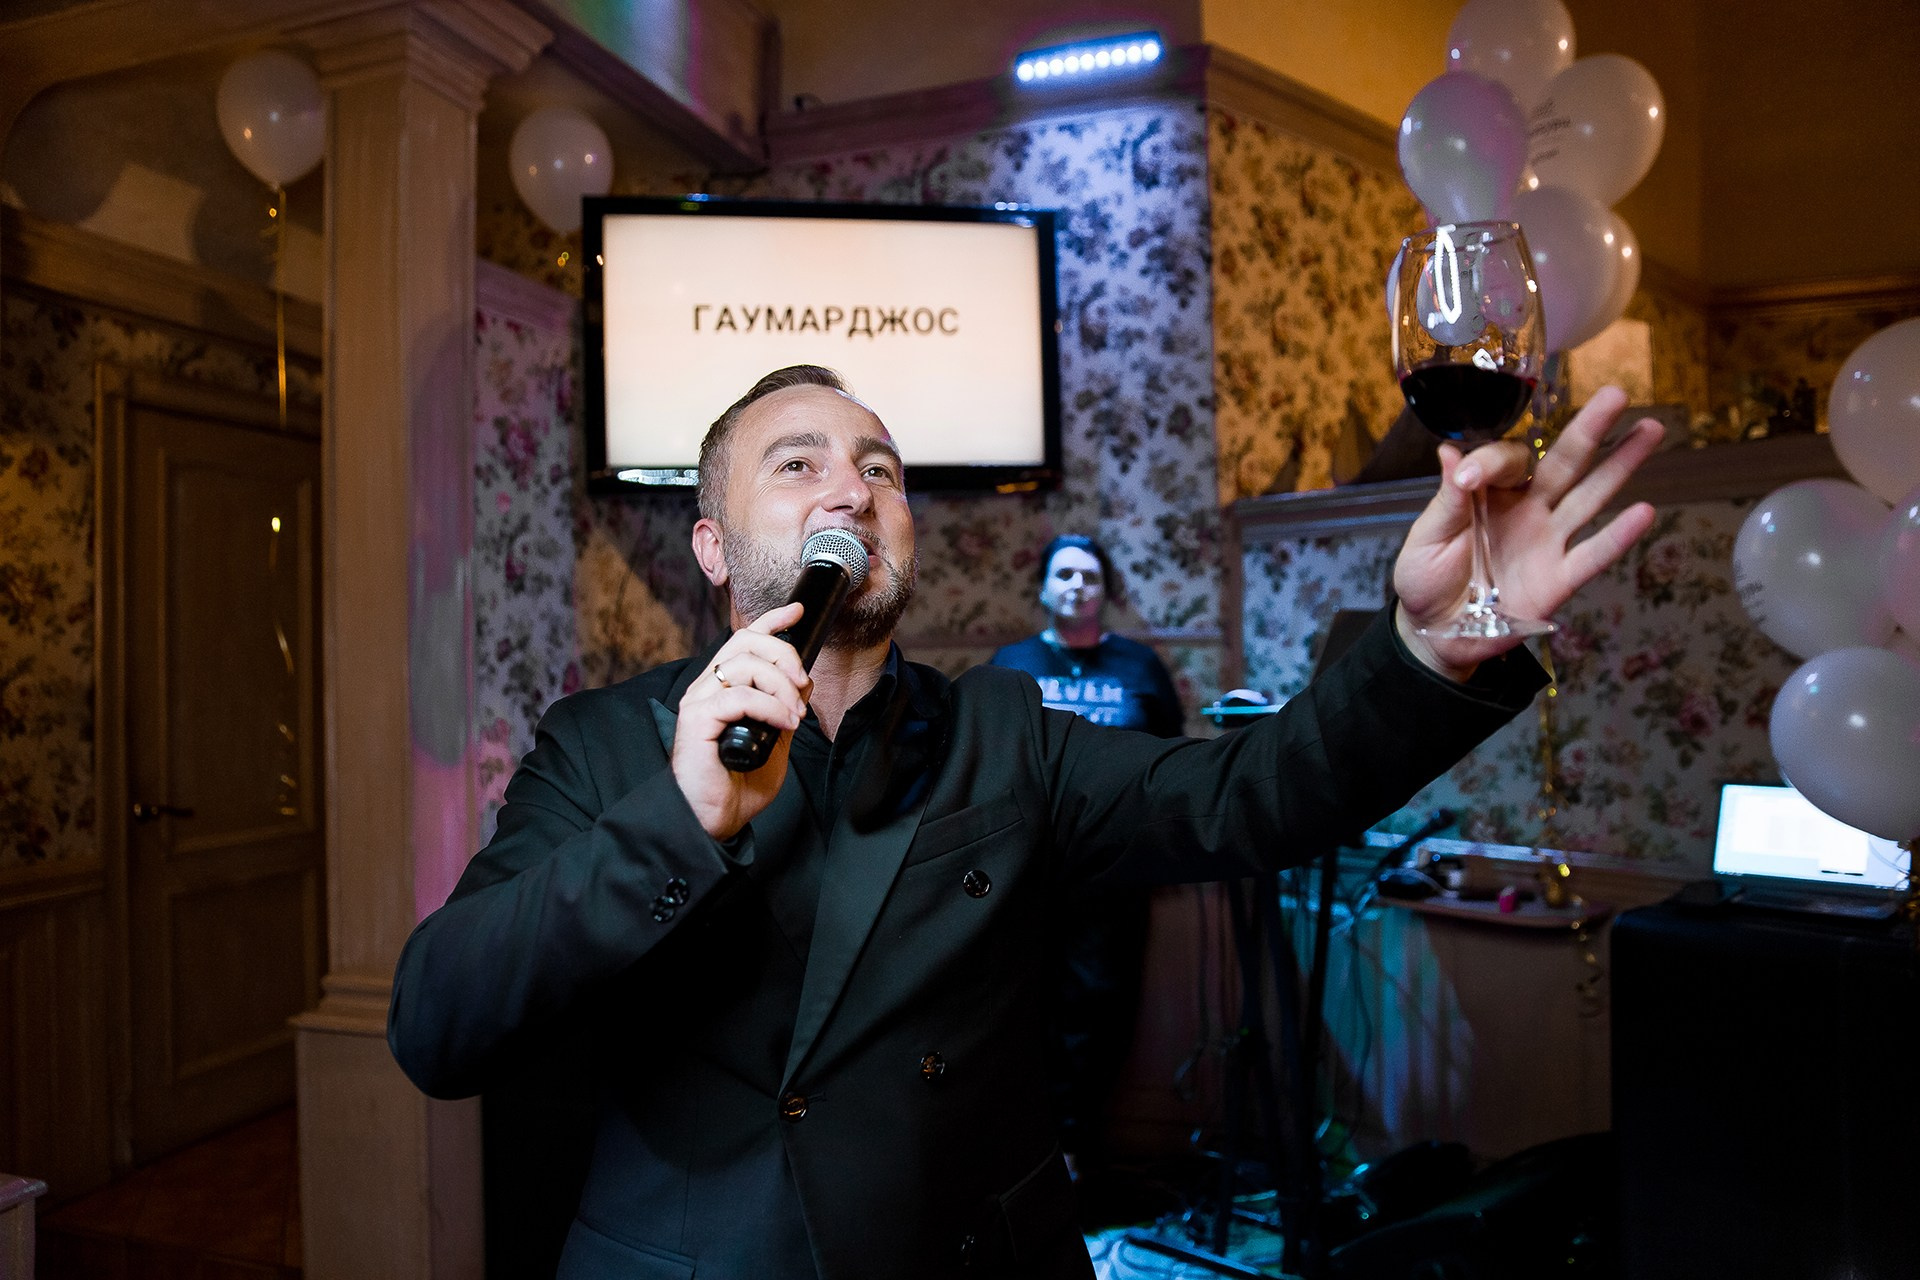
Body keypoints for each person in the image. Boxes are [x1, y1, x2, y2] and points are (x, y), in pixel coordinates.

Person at [388, 364, 1660, 1280]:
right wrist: (679, 819)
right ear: (714, 548)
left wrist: (1433, 648)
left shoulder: (1004, 733)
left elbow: (1252, 792)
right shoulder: (600, 743)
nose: (854, 489)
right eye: (800, 464)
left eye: (880, 469)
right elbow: (439, 1020)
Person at [989, 536, 1180, 1215]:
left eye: (1090, 576)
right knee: (1024, 1009)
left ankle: (1078, 1154)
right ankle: (1031, 1158)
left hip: (1113, 871)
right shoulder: (1012, 666)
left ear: (1106, 592)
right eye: (1064, 574)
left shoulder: (1139, 666)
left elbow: (1166, 760)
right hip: (1027, 873)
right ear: (1044, 587)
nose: (1076, 585)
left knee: (1099, 1013)